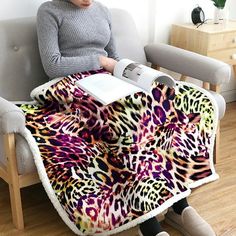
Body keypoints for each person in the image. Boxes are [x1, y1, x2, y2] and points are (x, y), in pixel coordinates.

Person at [36, 1, 216, 236]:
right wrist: (99, 62)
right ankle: (148, 223)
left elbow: (114, 57)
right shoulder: (49, 11)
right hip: (70, 86)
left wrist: (133, 75)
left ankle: (178, 207)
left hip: (107, 81)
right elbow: (53, 65)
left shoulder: (102, 11)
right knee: (126, 123)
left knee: (159, 109)